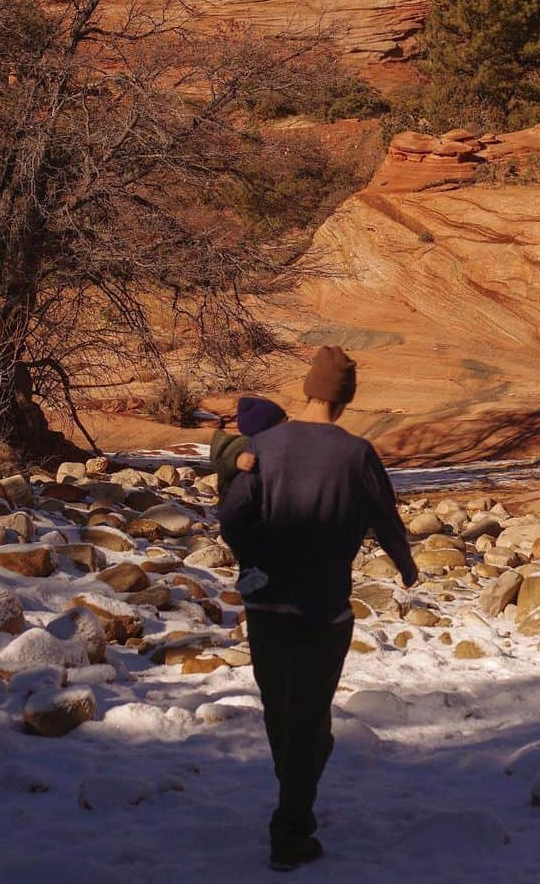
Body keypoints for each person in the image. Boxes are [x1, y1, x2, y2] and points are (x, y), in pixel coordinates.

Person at [219, 345, 417, 873]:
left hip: (265, 602)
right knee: (309, 719)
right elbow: (384, 514)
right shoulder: (356, 455)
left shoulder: (262, 444)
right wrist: (406, 564)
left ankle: (293, 804)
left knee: (281, 711)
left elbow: (234, 515)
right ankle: (290, 828)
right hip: (324, 606)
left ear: (308, 388)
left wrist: (253, 560)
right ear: (346, 397)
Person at [209, 396, 288, 498]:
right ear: (264, 426)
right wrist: (237, 460)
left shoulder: (263, 444)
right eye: (282, 423)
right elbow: (224, 459)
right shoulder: (244, 444)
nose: (286, 427)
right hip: (240, 507)